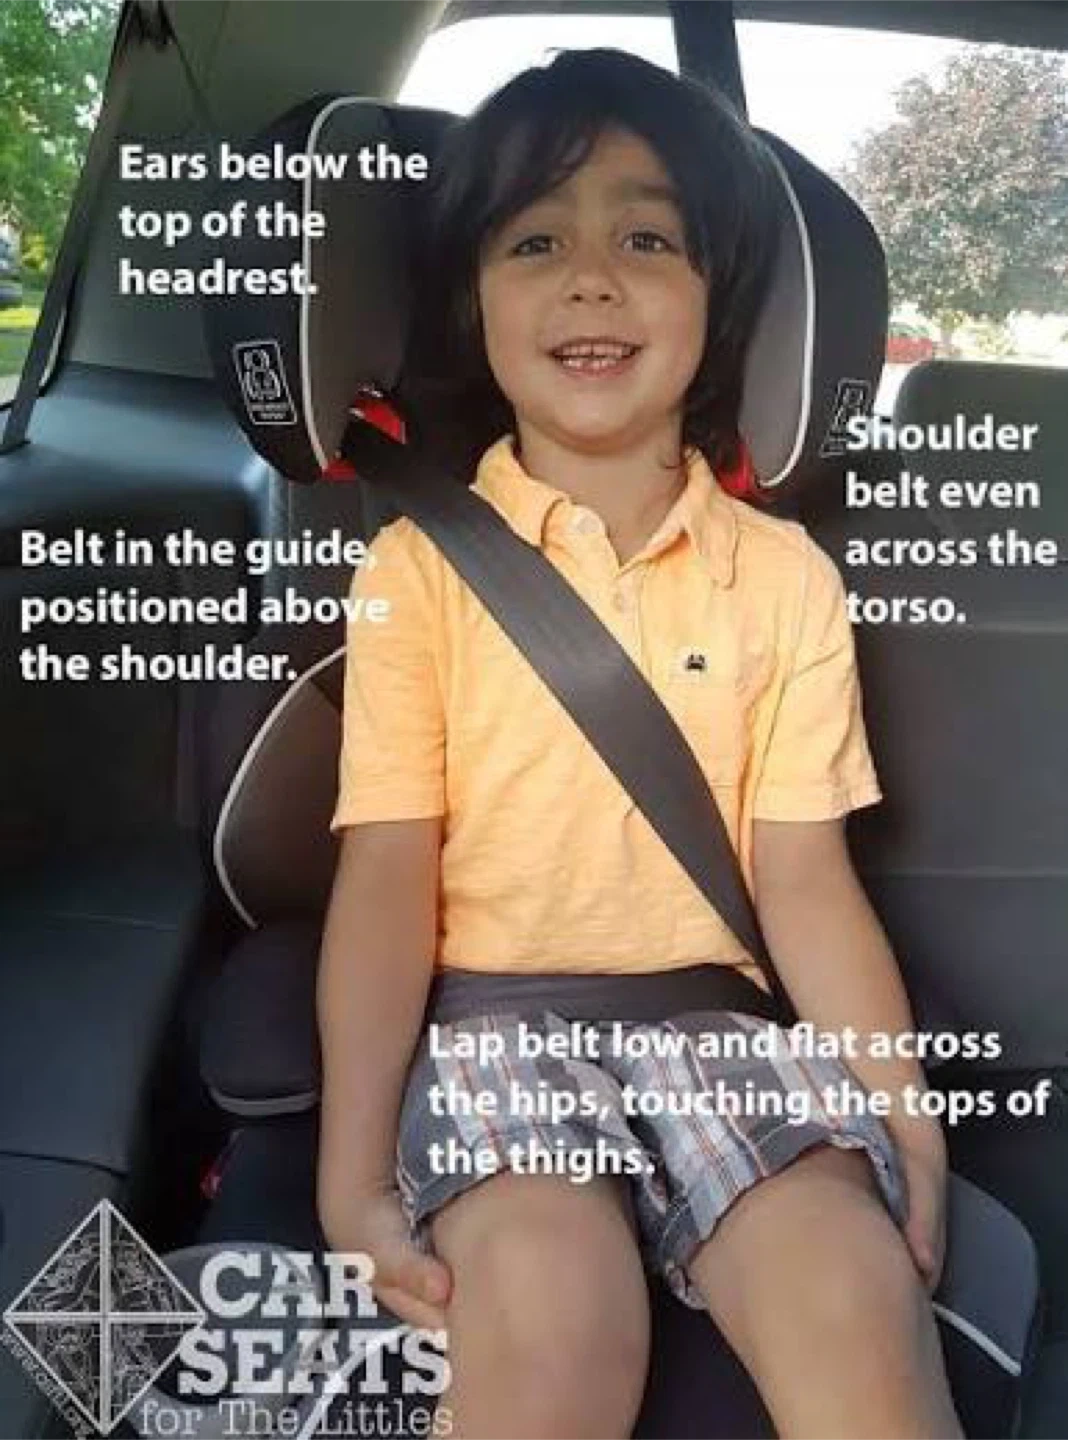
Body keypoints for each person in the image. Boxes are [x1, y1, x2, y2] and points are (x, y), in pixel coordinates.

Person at [317, 47, 963, 1440]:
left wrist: (906, 1115)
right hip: (495, 1023)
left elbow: (805, 882)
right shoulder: (417, 574)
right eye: (535, 240)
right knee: (548, 1315)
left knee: (854, 1296)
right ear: (474, 301)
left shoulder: (784, 580)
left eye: (648, 240)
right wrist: (351, 1173)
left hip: (718, 1023)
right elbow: (386, 878)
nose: (593, 280)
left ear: (716, 297)